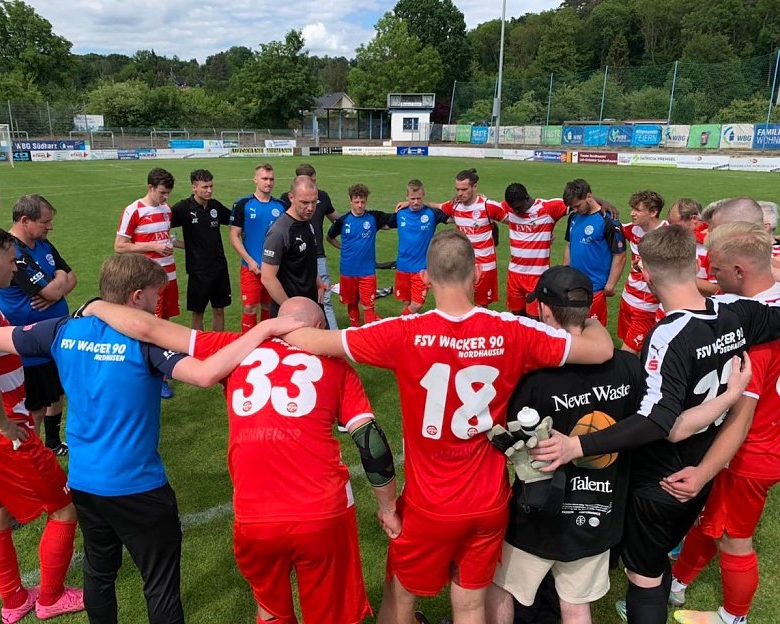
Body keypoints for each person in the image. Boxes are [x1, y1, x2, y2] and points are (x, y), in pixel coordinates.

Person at [0, 252, 300, 624]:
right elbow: (206, 373)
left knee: (99, 572)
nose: (158, 304)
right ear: (136, 297)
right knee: (159, 583)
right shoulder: (146, 343)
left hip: (84, 483)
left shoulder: (61, 330)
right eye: (154, 295)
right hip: (140, 487)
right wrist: (263, 330)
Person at [283, 230, 615, 624]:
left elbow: (312, 340)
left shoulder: (401, 333)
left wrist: (271, 330)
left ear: (424, 278)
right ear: (477, 275)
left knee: (400, 594)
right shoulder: (513, 331)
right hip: (489, 501)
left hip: (430, 503)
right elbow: (602, 349)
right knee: (471, 604)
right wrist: (588, 315)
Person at [49, 292, 398, 624]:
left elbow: (149, 328)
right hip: (323, 513)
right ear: (319, 329)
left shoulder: (234, 347)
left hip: (254, 517)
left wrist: (96, 305)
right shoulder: (336, 366)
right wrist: (387, 508)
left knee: (271, 612)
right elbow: (371, 443)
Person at [531, 224, 780, 624]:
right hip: (698, 471)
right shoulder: (738, 313)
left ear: (644, 273)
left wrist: (577, 446)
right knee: (654, 561)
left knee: (643, 574)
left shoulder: (670, 333)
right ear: (692, 264)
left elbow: (658, 420)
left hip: (662, 480)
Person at [486, 266, 646, 624]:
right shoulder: (627, 366)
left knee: (500, 588)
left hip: (537, 517)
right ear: (589, 312)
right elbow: (644, 424)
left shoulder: (534, 375)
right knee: (575, 606)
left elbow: (505, 437)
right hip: (599, 510)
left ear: (543, 311)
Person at [0, 224, 83, 623]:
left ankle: (14, 601)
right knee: (63, 509)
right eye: (10, 261)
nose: (15, 269)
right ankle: (51, 597)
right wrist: (3, 422)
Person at [669, 222, 780, 624]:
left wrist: (703, 471)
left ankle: (733, 618)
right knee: (711, 520)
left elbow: (741, 415)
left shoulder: (756, 336)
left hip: (751, 452)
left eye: (715, 272)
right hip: (767, 440)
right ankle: (677, 583)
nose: (710, 280)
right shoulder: (773, 305)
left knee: (736, 540)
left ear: (738, 271)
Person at [0, 195, 76, 455]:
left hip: (55, 334)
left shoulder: (42, 242)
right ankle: (32, 451)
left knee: (56, 394)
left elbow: (70, 278)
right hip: (30, 343)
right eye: (45, 222)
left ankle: (52, 442)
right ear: (24, 220)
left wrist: (59, 282)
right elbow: (51, 292)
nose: (49, 227)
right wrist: (57, 286)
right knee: (35, 405)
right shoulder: (14, 252)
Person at [115, 167, 180, 399]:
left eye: (168, 194)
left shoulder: (166, 209)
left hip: (169, 275)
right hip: (148, 279)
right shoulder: (134, 210)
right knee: (149, 326)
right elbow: (120, 246)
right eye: (162, 193)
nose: (165, 198)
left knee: (165, 321)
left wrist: (184, 244)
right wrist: (152, 247)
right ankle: (155, 375)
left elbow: (166, 237)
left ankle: (162, 363)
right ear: (150, 187)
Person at [170, 169, 231, 332]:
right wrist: (177, 243)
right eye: (204, 187)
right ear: (194, 188)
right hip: (198, 271)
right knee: (198, 313)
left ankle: (218, 345)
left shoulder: (215, 206)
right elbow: (162, 224)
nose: (209, 190)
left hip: (219, 268)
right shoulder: (183, 208)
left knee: (219, 310)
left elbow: (234, 220)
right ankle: (199, 346)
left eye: (211, 186)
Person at [280, 163, 339, 328]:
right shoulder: (285, 200)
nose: (310, 207)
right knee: (302, 301)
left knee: (323, 299)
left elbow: (337, 220)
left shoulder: (323, 196)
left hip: (317, 256)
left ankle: (330, 335)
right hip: (295, 257)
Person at [436, 169, 505, 307]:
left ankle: (482, 328)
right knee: (460, 303)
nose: (460, 193)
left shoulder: (487, 206)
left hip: (485, 265)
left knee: (481, 306)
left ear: (475, 187)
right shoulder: (455, 206)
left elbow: (512, 219)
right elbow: (436, 206)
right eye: (457, 189)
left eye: (464, 189)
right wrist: (411, 203)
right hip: (462, 264)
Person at [498, 183, 569, 317]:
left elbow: (578, 200)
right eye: (513, 209)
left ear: (526, 197)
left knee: (534, 319)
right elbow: (484, 207)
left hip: (537, 276)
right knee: (517, 316)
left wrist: (601, 203)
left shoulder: (548, 208)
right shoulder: (509, 208)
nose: (516, 212)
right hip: (514, 274)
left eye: (519, 207)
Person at [229, 163, 285, 332]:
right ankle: (248, 344)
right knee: (250, 308)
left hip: (274, 268)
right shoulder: (243, 204)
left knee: (269, 306)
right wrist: (249, 260)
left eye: (271, 179)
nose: (268, 183)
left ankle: (266, 341)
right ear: (255, 180)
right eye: (264, 179)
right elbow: (233, 235)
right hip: (250, 267)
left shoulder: (281, 206)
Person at [327, 183, 392, 326]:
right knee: (351, 303)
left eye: (363, 202)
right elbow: (330, 237)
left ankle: (369, 334)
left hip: (367, 272)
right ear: (351, 201)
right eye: (357, 202)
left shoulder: (374, 217)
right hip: (348, 271)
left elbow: (396, 219)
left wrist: (407, 204)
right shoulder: (343, 221)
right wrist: (343, 248)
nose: (360, 205)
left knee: (369, 306)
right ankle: (354, 330)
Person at [563, 179, 626, 325]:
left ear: (589, 197)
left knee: (593, 331)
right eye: (573, 207)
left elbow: (620, 255)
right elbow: (569, 245)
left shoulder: (608, 221)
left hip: (595, 288)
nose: (576, 209)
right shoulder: (573, 217)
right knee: (572, 328)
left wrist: (610, 285)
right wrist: (565, 272)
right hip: (573, 284)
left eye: (578, 205)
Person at [387, 179, 450, 315]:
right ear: (406, 197)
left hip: (422, 269)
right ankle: (409, 332)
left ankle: (399, 324)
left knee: (416, 304)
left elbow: (455, 215)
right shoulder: (400, 214)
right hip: (403, 267)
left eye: (419, 198)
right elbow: (381, 224)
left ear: (424, 196)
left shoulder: (432, 214)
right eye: (412, 198)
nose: (416, 202)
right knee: (407, 303)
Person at [261, 175, 321, 315]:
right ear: (291, 198)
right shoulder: (279, 231)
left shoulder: (307, 222)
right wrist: (291, 309)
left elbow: (305, 259)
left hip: (311, 305)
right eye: (304, 202)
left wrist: (318, 283)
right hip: (291, 313)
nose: (310, 208)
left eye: (314, 202)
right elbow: (267, 278)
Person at [618, 190, 666, 355]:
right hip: (628, 298)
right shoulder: (633, 229)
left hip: (647, 307)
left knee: (627, 354)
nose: (632, 213)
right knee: (633, 350)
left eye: (638, 210)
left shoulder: (667, 234)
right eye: (632, 208)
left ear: (653, 212)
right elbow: (611, 224)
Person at [666, 199, 718, 297]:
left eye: (675, 225)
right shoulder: (679, 239)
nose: (671, 230)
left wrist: (678, 276)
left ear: (694, 219)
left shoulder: (712, 246)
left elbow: (716, 289)